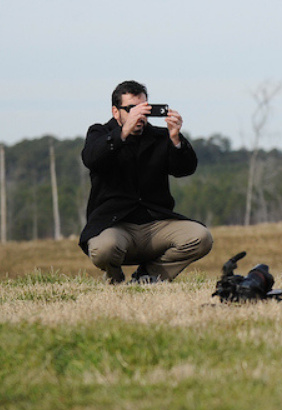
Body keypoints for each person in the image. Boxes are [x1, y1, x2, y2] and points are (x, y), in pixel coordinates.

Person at [79, 81, 212, 283]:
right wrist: (122, 134)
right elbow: (92, 158)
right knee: (103, 249)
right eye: (131, 109)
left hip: (155, 223)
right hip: (115, 224)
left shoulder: (160, 137)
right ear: (116, 112)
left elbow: (185, 169)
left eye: (144, 109)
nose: (139, 115)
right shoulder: (101, 134)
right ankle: (114, 279)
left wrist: (176, 140)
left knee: (201, 238)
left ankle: (148, 276)